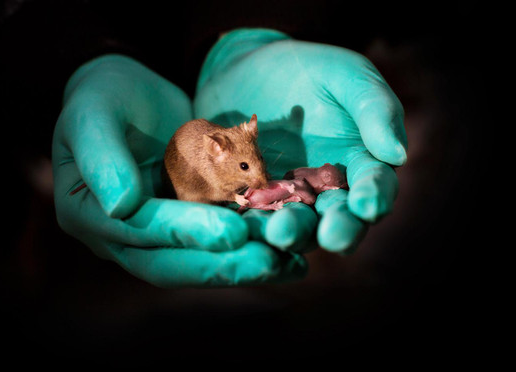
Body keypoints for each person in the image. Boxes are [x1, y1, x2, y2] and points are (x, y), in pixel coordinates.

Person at [52, 28, 407, 288]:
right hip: (194, 183)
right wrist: (92, 54)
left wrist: (235, 45)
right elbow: (225, 183)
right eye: (244, 167)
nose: (258, 174)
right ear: (218, 151)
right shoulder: (215, 161)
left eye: (256, 164)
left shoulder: (242, 141)